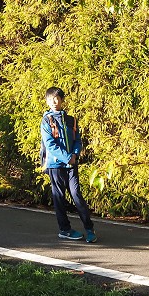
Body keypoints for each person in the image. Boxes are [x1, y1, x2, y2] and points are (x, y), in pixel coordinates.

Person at [40, 86, 97, 243]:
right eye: (51, 99)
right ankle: (65, 230)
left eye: (58, 98)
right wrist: (67, 158)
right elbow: (50, 144)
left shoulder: (71, 120)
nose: (55, 101)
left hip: (71, 164)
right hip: (55, 165)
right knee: (59, 198)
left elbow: (77, 140)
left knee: (76, 194)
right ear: (47, 101)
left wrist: (75, 154)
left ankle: (89, 229)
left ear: (62, 100)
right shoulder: (46, 121)